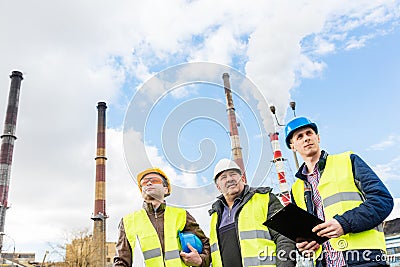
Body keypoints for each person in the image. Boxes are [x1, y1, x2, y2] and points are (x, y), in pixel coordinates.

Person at [285, 116, 394, 267]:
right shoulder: (296, 188)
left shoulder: (348, 161)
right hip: (324, 263)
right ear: (293, 146)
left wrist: (344, 223)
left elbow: (382, 200)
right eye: (300, 136)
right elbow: (304, 231)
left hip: (364, 260)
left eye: (309, 133)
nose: (306, 139)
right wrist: (304, 246)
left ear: (318, 137)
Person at [113, 167, 211, 267]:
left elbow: (206, 244)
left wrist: (200, 260)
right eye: (144, 182)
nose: (149, 183)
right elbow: (121, 261)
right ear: (141, 191)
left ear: (166, 189)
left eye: (154, 180)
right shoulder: (128, 221)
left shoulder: (181, 215)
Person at [208, 158, 296, 267]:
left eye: (233, 174)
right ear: (218, 187)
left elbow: (285, 236)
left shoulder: (265, 199)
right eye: (223, 177)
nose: (229, 179)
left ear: (242, 178)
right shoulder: (215, 216)